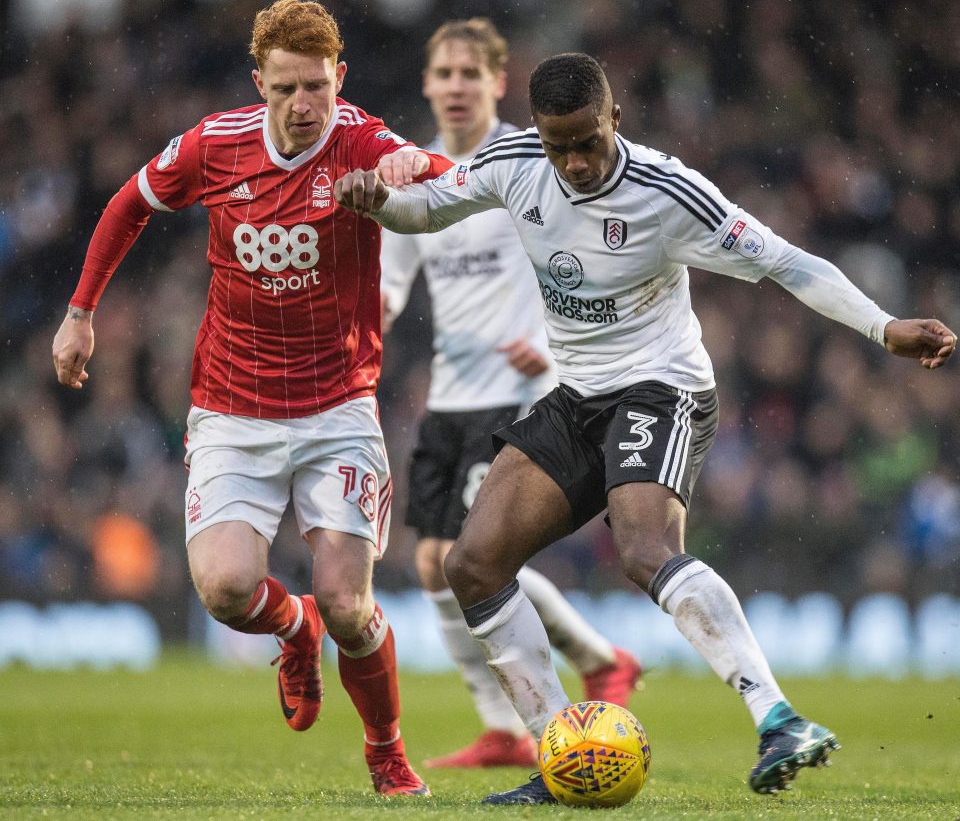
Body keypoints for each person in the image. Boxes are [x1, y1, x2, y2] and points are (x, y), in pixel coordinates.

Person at [335, 51, 957, 802]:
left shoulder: (668, 193)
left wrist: (882, 325)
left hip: (663, 388)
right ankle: (563, 755)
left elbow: (788, 263)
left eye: (589, 140)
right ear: (537, 131)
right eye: (559, 144)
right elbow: (424, 209)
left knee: (644, 547)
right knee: (471, 565)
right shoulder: (514, 162)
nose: (576, 161)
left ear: (615, 119)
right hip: (577, 398)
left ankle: (778, 716)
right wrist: (374, 199)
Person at [51, 0, 453, 797]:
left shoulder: (358, 139)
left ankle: (386, 751)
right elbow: (129, 203)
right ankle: (291, 628)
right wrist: (80, 311)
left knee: (347, 599)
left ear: (340, 77)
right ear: (258, 83)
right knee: (228, 590)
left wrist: (414, 170)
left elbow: (426, 168)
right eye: (285, 90)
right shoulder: (215, 144)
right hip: (233, 407)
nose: (304, 106)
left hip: (338, 406)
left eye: (317, 87)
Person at [379, 19, 641, 769]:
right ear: (427, 84)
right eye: (444, 73)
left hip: (526, 389)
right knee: (433, 563)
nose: (457, 86)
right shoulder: (416, 173)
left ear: (498, 82)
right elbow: (391, 284)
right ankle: (513, 716)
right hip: (452, 395)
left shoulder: (530, 158)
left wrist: (559, 345)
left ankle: (590, 663)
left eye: (471, 73)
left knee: (470, 555)